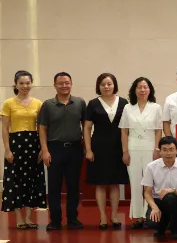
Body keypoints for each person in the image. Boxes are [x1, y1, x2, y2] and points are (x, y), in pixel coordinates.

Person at [38, 72, 87, 231]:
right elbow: (42, 128)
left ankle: (72, 218)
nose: (64, 86)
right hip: (54, 149)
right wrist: (45, 150)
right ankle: (55, 220)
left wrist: (86, 147)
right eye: (60, 83)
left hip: (75, 149)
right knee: (54, 186)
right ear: (55, 85)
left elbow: (85, 126)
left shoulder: (79, 103)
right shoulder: (48, 105)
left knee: (73, 186)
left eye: (67, 83)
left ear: (71, 84)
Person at [0, 70, 46, 228]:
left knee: (32, 180)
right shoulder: (8, 103)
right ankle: (19, 218)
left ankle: (29, 217)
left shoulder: (38, 103)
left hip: (34, 144)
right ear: (16, 85)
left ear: (31, 84)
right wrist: (7, 149)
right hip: (16, 144)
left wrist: (43, 148)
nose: (25, 86)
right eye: (21, 83)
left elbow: (41, 128)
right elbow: (5, 128)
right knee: (16, 181)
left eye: (28, 83)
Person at [84, 73, 129, 229]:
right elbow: (87, 128)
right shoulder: (93, 104)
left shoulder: (124, 103)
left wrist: (126, 150)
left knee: (115, 183)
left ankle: (114, 215)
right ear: (99, 86)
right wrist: (88, 149)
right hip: (99, 147)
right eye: (103, 84)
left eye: (109, 84)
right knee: (101, 183)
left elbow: (126, 128)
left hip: (118, 147)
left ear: (114, 85)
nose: (106, 87)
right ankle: (103, 216)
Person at [119, 77, 163, 230]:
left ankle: (149, 215)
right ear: (134, 90)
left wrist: (157, 149)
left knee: (149, 183)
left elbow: (159, 130)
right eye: (139, 87)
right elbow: (124, 131)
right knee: (135, 183)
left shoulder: (156, 107)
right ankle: (138, 216)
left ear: (150, 90)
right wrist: (125, 151)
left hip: (150, 147)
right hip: (133, 147)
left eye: (145, 87)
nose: (142, 90)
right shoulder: (128, 108)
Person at [142, 136, 177, 242]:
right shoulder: (151, 167)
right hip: (158, 201)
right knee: (152, 224)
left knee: (170, 197)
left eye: (171, 149)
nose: (168, 153)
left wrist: (173, 190)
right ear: (160, 151)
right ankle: (167, 221)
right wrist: (154, 207)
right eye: (164, 150)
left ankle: (176, 230)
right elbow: (147, 193)